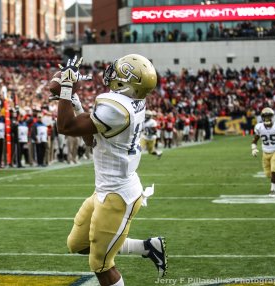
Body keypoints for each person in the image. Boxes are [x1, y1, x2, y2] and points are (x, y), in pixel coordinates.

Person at [55, 55, 167, 286]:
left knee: (101, 265)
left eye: (118, 72)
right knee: (78, 244)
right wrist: (76, 103)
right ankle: (147, 247)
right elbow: (91, 139)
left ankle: (142, 250)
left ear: (127, 82)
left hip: (118, 195)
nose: (112, 75)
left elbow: (65, 126)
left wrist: (66, 87)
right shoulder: (130, 102)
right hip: (105, 190)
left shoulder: (118, 108)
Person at [251, 107, 275, 197]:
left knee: (274, 171)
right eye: (265, 116)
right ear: (262, 117)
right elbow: (254, 141)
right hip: (265, 152)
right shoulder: (259, 127)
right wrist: (254, 149)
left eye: (269, 116)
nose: (267, 118)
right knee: (268, 175)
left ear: (272, 117)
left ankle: (273, 191)